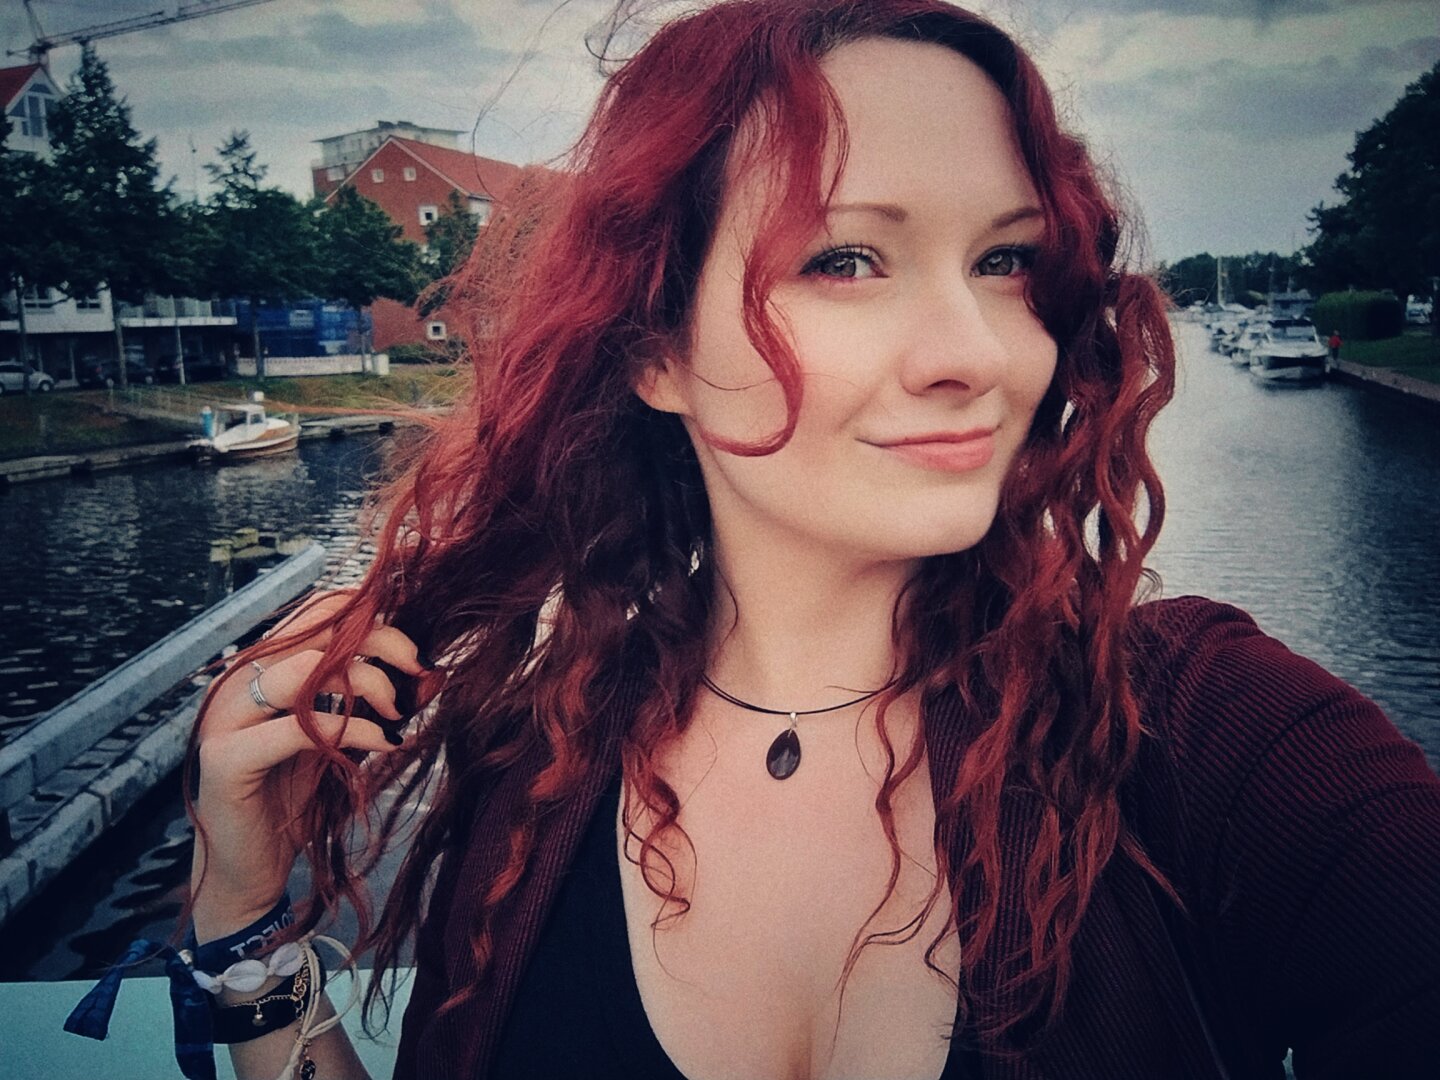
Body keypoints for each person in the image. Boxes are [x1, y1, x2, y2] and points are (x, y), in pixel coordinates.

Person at [71, 2, 1439, 1078]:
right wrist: (244, 907)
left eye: (1006, 260)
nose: (978, 353)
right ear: (656, 351)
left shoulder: (1207, 735)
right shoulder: (536, 768)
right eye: (846, 259)